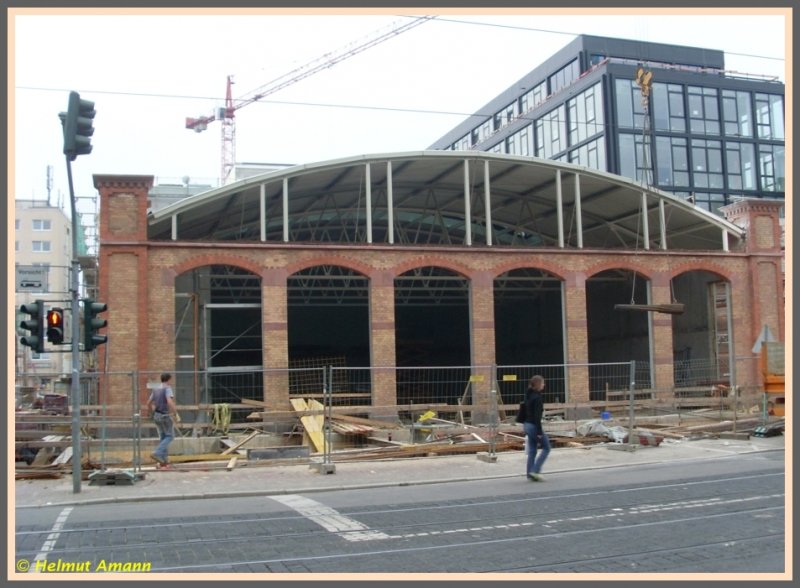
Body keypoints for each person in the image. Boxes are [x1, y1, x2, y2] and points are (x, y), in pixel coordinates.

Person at [523, 374, 551, 481]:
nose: (544, 384)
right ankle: (535, 470)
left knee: (532, 450)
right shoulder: (538, 398)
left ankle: (529, 473)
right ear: (539, 384)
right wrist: (539, 431)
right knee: (547, 447)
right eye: (543, 383)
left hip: (527, 425)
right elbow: (537, 417)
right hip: (534, 426)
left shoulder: (528, 395)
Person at [148, 372, 178, 469]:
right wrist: (175, 412)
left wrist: (151, 411)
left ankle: (163, 461)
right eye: (171, 379)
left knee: (163, 437)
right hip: (165, 415)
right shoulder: (167, 388)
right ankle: (157, 453)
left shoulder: (156, 388)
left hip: (156, 415)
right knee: (170, 436)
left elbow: (149, 402)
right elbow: (169, 401)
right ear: (168, 379)